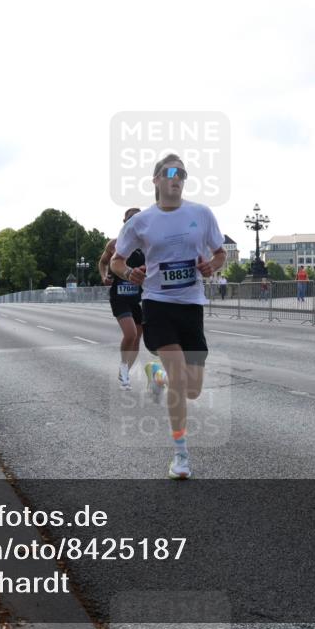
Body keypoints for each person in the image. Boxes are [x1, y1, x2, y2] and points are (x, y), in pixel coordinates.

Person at [110, 154, 226, 480]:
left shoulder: (201, 214)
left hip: (191, 306)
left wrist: (212, 265)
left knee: (193, 389)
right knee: (179, 378)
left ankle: (156, 374)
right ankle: (181, 455)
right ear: (156, 180)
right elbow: (117, 260)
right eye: (171, 172)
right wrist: (129, 272)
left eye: (182, 174)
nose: (177, 178)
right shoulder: (141, 222)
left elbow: (220, 253)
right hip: (157, 304)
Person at [99, 207, 144, 390]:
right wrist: (104, 276)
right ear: (124, 222)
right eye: (131, 219)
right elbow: (103, 262)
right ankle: (124, 367)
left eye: (138, 219)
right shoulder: (114, 244)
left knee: (137, 338)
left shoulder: (146, 245)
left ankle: (125, 370)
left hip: (136, 298)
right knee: (130, 334)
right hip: (119, 297)